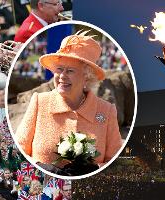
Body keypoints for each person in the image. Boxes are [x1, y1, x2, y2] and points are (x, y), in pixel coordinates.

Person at [15, 31, 122, 175]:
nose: (62, 76)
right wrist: (40, 168)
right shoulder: (40, 102)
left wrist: (95, 169)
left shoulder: (106, 111)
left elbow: (116, 163)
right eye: (59, 69)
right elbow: (17, 151)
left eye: (70, 70)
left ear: (87, 78)